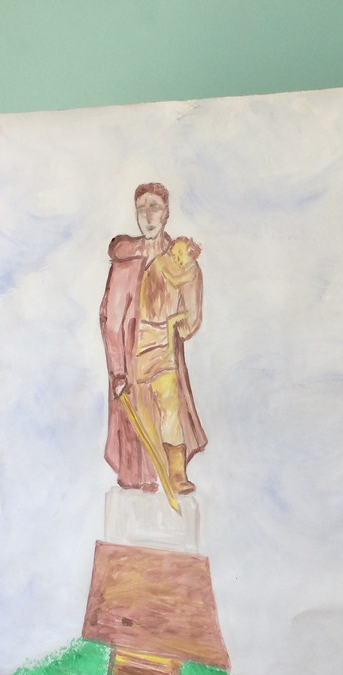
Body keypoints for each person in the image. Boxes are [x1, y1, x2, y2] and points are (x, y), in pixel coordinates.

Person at [99, 183, 207, 494]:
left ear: (166, 213)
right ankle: (144, 482)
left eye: (155, 208)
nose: (148, 216)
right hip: (132, 357)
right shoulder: (125, 260)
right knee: (138, 424)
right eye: (142, 208)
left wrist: (176, 324)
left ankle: (177, 473)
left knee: (170, 409)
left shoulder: (178, 257)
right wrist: (118, 371)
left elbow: (191, 316)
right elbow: (111, 319)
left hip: (164, 352)